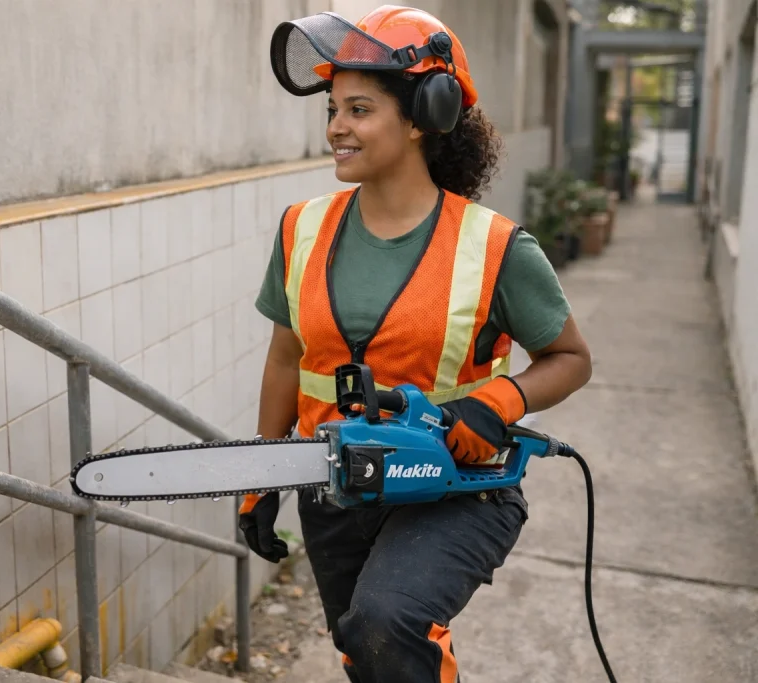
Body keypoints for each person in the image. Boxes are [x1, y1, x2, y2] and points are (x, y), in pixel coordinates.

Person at [237, 6, 593, 683]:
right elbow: (287, 359)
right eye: (333, 109)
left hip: (459, 489)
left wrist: (500, 400)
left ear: (424, 113)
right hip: (338, 485)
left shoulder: (494, 246)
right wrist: (262, 476)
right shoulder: (300, 229)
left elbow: (571, 358)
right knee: (364, 649)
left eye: (359, 109)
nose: (337, 127)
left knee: (388, 621)